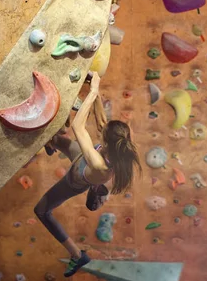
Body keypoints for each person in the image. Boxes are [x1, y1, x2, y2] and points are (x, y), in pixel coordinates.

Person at [34, 72, 141, 277]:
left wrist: (92, 92)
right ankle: (51, 144)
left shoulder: (100, 163)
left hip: (75, 180)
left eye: (104, 133)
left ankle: (77, 255)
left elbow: (77, 127)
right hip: (80, 160)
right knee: (55, 138)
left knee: (41, 211)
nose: (102, 128)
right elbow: (102, 122)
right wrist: (96, 88)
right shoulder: (118, 144)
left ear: (107, 144)